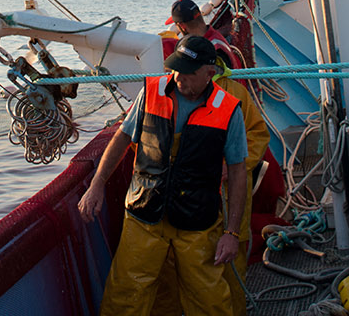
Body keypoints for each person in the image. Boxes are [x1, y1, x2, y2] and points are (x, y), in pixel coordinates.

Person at [78, 35, 247, 316]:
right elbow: (121, 139)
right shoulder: (151, 92)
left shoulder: (229, 110)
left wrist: (232, 232)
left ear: (210, 73)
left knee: (209, 300)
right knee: (125, 296)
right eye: (176, 68)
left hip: (197, 223)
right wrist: (96, 185)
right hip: (143, 216)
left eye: (188, 72)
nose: (179, 77)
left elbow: (239, 172)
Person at [162, 0, 270, 315]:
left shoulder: (234, 94)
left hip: (227, 195)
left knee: (231, 263)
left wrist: (230, 166)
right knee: (191, 269)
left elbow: (258, 135)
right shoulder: (174, 91)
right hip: (191, 200)